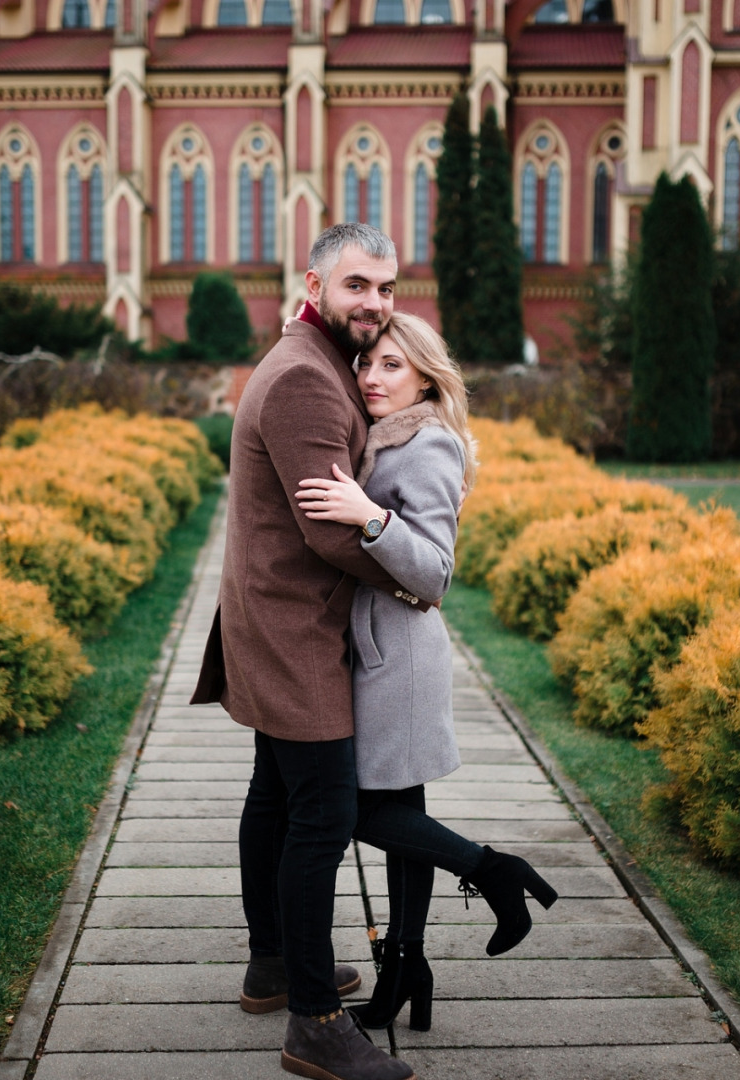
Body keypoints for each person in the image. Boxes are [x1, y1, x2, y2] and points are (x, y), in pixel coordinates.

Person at [191, 223, 422, 1080]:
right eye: (358, 285)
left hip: (272, 615)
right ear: (316, 285)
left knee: (277, 799)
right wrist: (415, 578)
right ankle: (315, 1020)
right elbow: (330, 532)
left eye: (388, 288)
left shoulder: (305, 361)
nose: (375, 303)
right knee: (320, 815)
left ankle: (275, 962)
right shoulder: (305, 381)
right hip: (293, 627)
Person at [294, 313, 558, 1033]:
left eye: (390, 366)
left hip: (399, 657)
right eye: (366, 365)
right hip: (379, 649)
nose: (371, 379)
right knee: (400, 813)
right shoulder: (386, 435)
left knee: (360, 811)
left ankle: (493, 868)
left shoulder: (429, 442)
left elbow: (436, 572)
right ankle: (405, 970)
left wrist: (368, 516)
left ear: (424, 376)